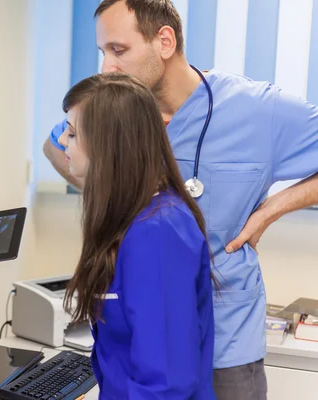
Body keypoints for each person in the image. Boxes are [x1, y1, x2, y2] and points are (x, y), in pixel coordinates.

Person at [45, 1, 318, 398]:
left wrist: (270, 211)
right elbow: (59, 147)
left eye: (118, 50)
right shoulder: (115, 113)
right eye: (103, 52)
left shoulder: (256, 110)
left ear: (165, 41)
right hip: (143, 329)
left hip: (226, 343)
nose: (106, 67)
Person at [62, 72, 215, 399]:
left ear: (109, 144)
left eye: (73, 134)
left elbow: (166, 383)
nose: (63, 141)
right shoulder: (130, 219)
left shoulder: (157, 234)